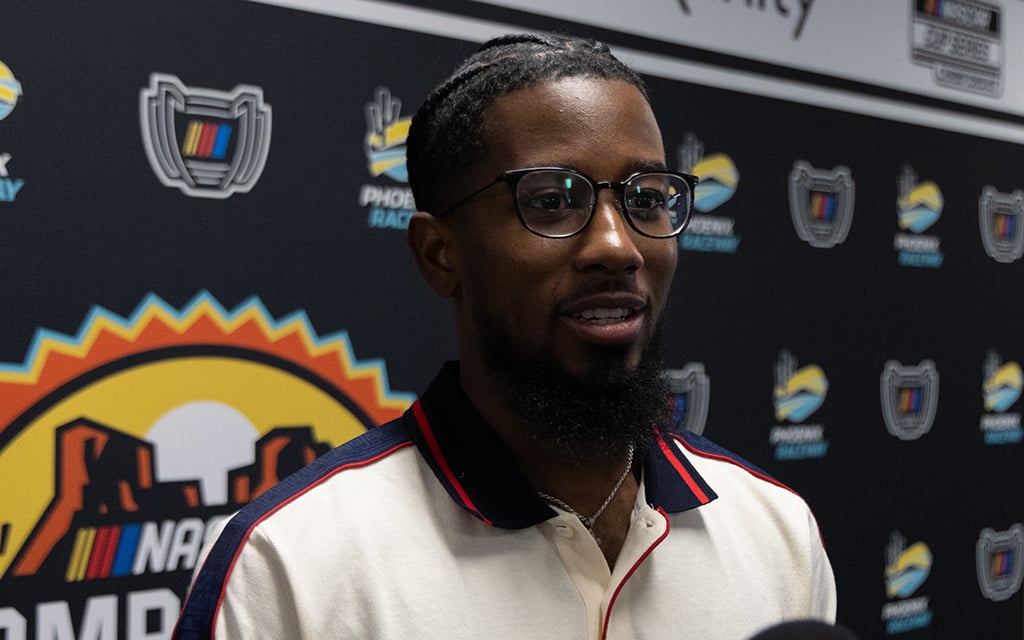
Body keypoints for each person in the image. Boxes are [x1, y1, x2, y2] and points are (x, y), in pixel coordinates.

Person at [173, 33, 837, 639]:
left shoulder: (775, 532)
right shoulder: (290, 566)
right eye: (551, 200)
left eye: (646, 200)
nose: (617, 245)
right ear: (440, 254)